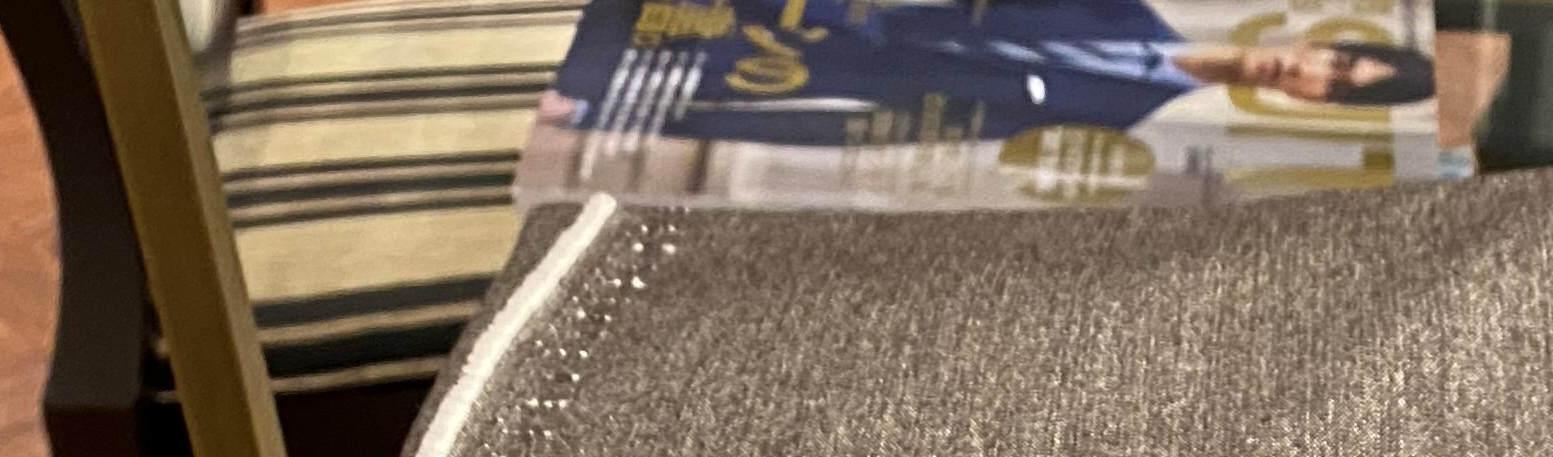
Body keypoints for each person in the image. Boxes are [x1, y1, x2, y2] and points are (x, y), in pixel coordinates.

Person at [580, 0, 1434, 146]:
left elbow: (867, 133)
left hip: (745, 77)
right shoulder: (1117, 9)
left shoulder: (1112, 126)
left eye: (1335, 86)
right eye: (1337, 58)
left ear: (1313, 105)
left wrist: (678, 122)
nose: (1312, 70)